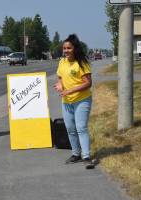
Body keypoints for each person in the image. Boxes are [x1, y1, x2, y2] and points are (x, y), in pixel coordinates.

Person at [54, 34, 94, 169]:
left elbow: (88, 83)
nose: (66, 51)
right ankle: (76, 153)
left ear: (75, 48)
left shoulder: (82, 63)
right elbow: (60, 77)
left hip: (82, 100)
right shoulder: (62, 62)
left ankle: (86, 156)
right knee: (70, 129)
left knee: (81, 128)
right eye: (64, 48)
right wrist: (60, 85)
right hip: (67, 102)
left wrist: (70, 91)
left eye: (69, 48)